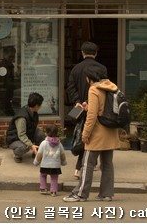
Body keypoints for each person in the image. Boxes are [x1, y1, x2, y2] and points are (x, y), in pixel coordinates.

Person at [63, 65, 119, 202]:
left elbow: (92, 116)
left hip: (97, 133)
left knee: (87, 164)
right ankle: (106, 194)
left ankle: (80, 193)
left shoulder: (94, 89)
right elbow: (103, 108)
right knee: (107, 164)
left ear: (90, 78)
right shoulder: (112, 87)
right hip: (110, 131)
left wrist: (85, 134)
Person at [66, 41, 107, 178]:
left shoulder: (76, 69)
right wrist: (90, 102)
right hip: (97, 107)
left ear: (82, 53)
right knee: (90, 136)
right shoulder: (102, 69)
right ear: (96, 53)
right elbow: (104, 89)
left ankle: (84, 165)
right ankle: (81, 166)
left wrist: (77, 102)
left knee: (84, 135)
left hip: (80, 109)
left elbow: (70, 87)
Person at [6, 92, 46, 163]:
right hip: (14, 139)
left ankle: (35, 153)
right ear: (36, 105)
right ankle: (17, 155)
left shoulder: (33, 112)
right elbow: (21, 135)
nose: (41, 106)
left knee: (41, 134)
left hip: (27, 134)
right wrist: (31, 145)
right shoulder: (22, 117)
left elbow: (34, 127)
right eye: (40, 105)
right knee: (25, 147)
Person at [33, 124, 67, 197]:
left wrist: (36, 162)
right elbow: (62, 154)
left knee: (43, 176)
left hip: (45, 165)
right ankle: (53, 191)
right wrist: (64, 162)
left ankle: (43, 188)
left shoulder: (43, 143)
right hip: (55, 166)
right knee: (54, 178)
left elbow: (39, 155)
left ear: (46, 133)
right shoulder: (59, 144)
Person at [0, 46, 16, 116]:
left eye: (13, 56)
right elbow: (1, 82)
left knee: (8, 112)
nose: (12, 58)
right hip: (3, 94)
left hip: (6, 94)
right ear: (5, 54)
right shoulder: (3, 66)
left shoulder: (9, 65)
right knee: (6, 112)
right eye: (10, 56)